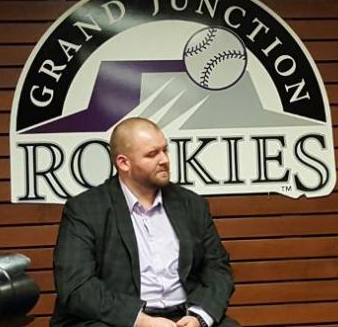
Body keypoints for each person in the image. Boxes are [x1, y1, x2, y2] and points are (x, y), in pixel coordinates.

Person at [52, 117, 237, 327]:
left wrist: (198, 318)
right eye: (152, 154)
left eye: (165, 150)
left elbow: (218, 268)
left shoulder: (191, 204)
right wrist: (139, 321)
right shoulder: (85, 209)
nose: (164, 159)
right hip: (118, 319)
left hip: (184, 316)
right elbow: (76, 285)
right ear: (123, 163)